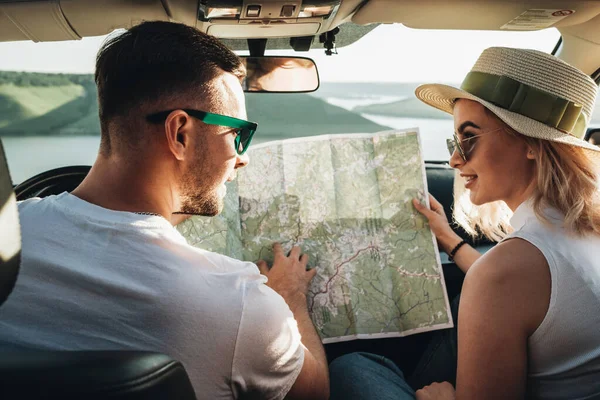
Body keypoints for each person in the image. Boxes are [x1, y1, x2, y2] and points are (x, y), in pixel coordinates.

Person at [0, 21, 329, 400]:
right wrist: (287, 295)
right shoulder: (240, 305)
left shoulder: (11, 235)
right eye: (238, 133)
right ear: (180, 134)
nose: (242, 158)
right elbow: (317, 391)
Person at [329, 46, 600, 399]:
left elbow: (502, 281)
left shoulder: (509, 269)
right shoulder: (579, 232)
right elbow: (518, 290)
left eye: (469, 137)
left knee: (351, 367)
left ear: (532, 144)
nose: (455, 159)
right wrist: (447, 238)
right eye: (455, 140)